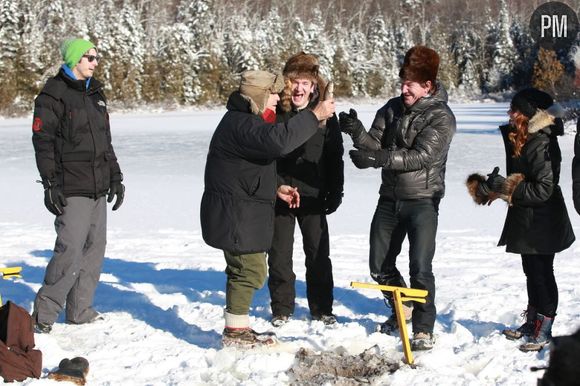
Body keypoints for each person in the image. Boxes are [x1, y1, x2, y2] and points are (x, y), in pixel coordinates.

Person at [200, 70, 335, 348]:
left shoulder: (244, 121)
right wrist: (314, 115)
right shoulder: (242, 123)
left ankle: (237, 328)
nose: (278, 98)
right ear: (259, 95)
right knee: (248, 271)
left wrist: (275, 188)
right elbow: (279, 140)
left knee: (247, 270)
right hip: (234, 213)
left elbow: (245, 169)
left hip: (237, 209)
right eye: (272, 94)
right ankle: (235, 333)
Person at [339, 46, 455, 351]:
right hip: (389, 198)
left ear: (427, 85)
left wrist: (377, 159)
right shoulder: (391, 108)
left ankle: (423, 328)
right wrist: (356, 132)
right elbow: (373, 143)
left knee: (420, 266)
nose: (404, 89)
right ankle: (402, 308)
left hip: (422, 200)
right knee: (379, 265)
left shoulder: (441, 116)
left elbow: (421, 156)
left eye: (410, 84)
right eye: (402, 82)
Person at [466, 88, 575, 352]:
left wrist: (506, 186)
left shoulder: (542, 141)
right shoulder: (522, 137)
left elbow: (544, 188)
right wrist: (492, 187)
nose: (509, 113)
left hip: (544, 218)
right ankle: (533, 322)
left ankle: (544, 327)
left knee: (541, 273)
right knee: (531, 272)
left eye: (514, 109)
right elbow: (522, 178)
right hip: (527, 217)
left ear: (528, 114)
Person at [31, 38, 125, 333]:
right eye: (90, 57)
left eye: (97, 57)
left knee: (95, 249)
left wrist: (115, 177)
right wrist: (50, 184)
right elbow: (43, 143)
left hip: (98, 183)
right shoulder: (53, 95)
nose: (95, 62)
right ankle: (44, 316)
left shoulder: (96, 93)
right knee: (69, 249)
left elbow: (105, 141)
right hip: (70, 186)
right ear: (74, 60)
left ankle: (79, 309)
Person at [267, 52, 344, 327]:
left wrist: (336, 191)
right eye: (294, 82)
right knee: (278, 255)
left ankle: (322, 308)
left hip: (313, 193)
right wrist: (276, 186)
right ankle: (282, 309)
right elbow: (265, 156)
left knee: (318, 254)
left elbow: (335, 156)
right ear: (286, 84)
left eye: (305, 82)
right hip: (281, 194)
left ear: (314, 86)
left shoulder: (325, 114)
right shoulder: (275, 112)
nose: (299, 88)